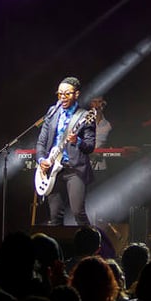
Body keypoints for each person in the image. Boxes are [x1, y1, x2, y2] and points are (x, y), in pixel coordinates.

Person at [36, 76, 97, 226]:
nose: (62, 97)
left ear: (76, 94)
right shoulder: (52, 112)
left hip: (75, 170)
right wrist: (41, 160)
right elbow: (41, 142)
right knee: (55, 216)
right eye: (60, 94)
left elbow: (90, 146)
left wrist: (78, 141)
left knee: (78, 212)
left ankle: (93, 246)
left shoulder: (84, 116)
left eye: (67, 94)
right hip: (53, 170)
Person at [89, 95, 112, 171]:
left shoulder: (108, 123)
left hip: (101, 165)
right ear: (90, 104)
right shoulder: (83, 121)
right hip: (85, 165)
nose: (97, 105)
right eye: (94, 102)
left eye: (99, 102)